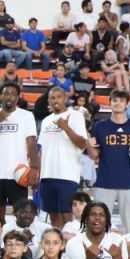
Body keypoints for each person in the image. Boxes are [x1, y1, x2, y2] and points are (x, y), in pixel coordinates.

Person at [0, 81, 39, 222]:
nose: (9, 97)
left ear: (18, 97)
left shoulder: (26, 115)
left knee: (21, 213)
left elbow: (31, 143)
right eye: (6, 93)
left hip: (18, 173)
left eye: (13, 94)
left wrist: (35, 168)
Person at [90, 91, 130, 231]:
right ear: (110, 103)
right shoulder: (100, 127)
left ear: (126, 104)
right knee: (99, 224)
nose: (117, 103)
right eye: (115, 100)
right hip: (104, 181)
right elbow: (94, 156)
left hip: (128, 182)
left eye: (121, 100)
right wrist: (88, 145)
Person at [37, 87, 89, 231]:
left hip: (67, 174)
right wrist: (37, 173)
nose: (56, 100)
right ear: (48, 101)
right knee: (53, 218)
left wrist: (66, 128)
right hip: (47, 175)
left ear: (65, 98)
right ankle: (58, 244)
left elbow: (82, 143)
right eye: (52, 98)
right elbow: (41, 149)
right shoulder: (46, 120)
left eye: (59, 97)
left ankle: (70, 243)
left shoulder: (75, 116)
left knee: (68, 217)